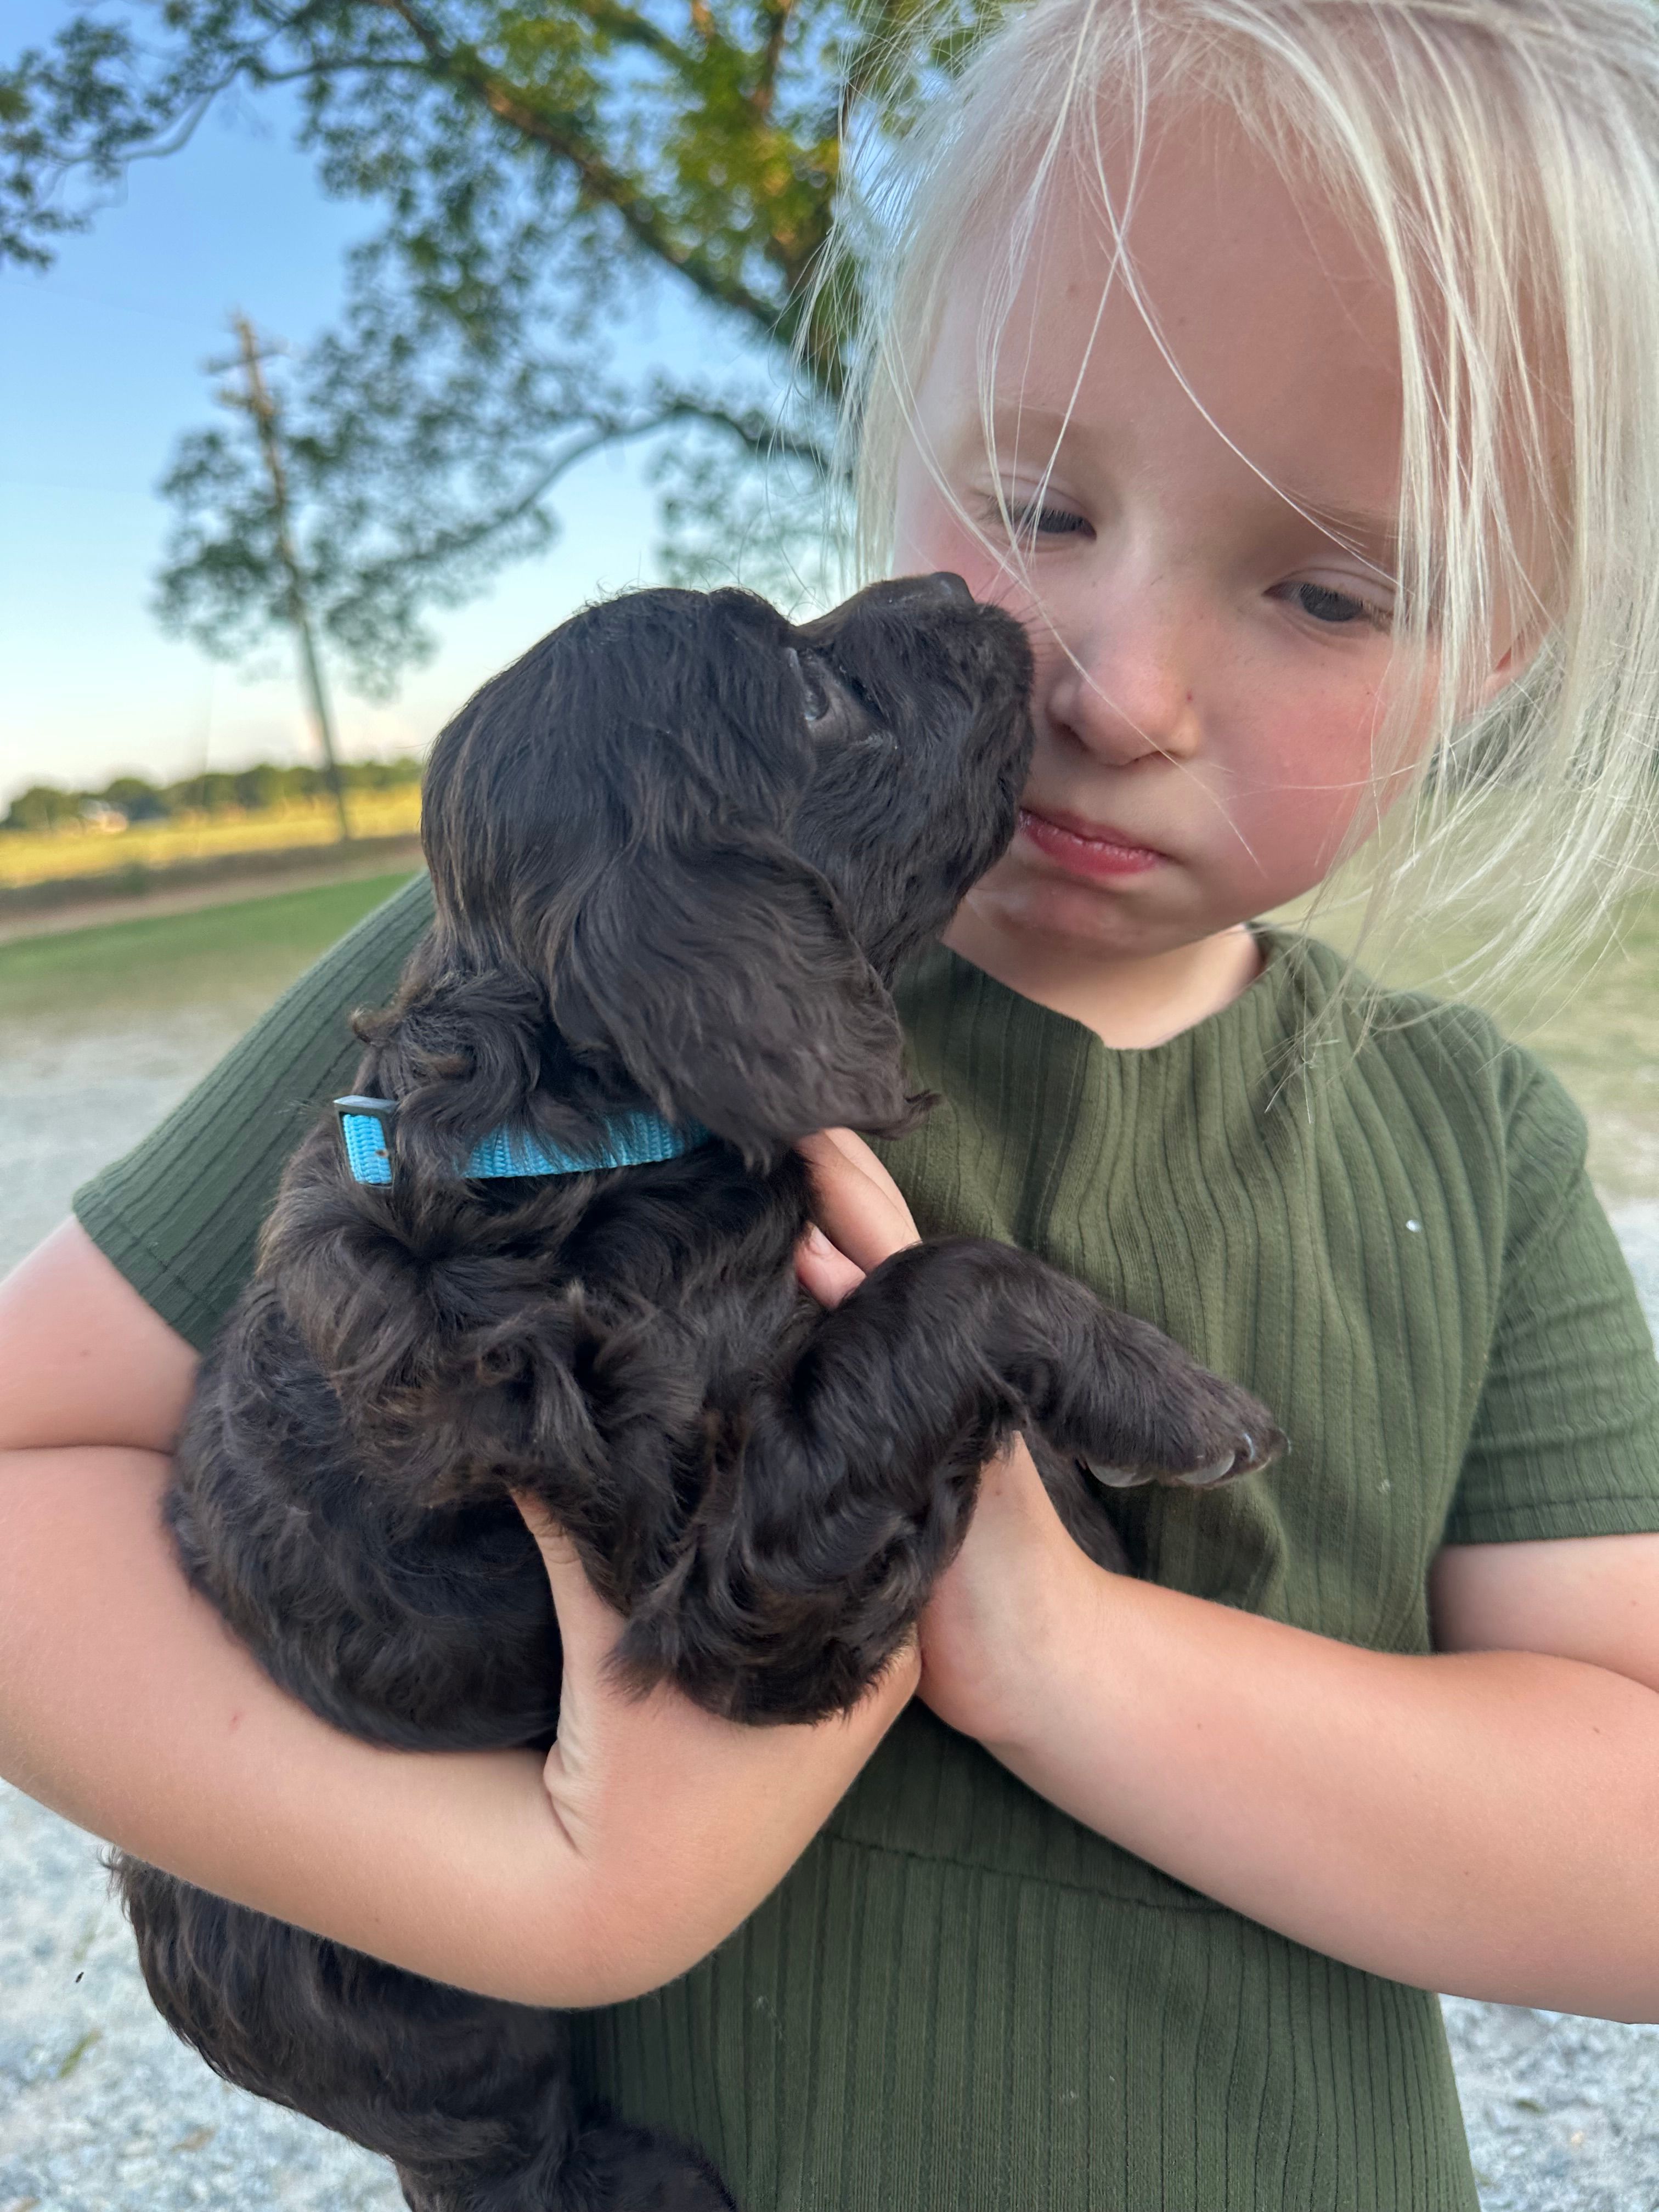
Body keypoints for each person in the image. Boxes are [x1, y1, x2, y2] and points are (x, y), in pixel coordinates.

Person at [5, 0, 1659, 2201]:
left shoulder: (1468, 1135)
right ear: (898, 437)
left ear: (1515, 658)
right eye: (1037, 499)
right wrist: (566, 1892)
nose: (1116, 684)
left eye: (1329, 588)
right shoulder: (522, 980)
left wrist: (1059, 1660)